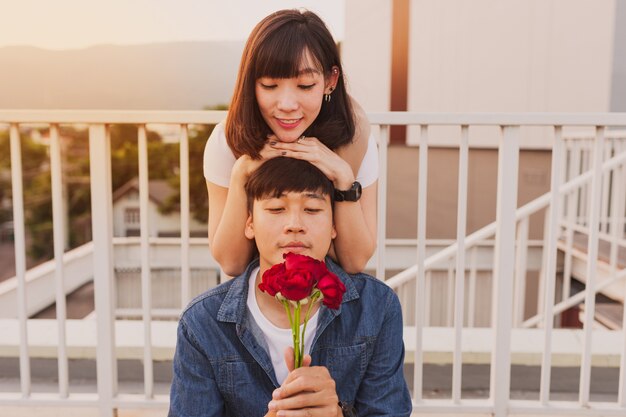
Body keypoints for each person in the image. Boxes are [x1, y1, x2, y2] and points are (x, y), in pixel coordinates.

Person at [170, 158, 411, 417]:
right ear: (249, 223)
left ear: (334, 226)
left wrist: (338, 414)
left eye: (312, 209)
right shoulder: (202, 322)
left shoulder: (376, 307)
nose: (295, 224)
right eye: (276, 209)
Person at [204, 9, 378, 276]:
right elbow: (231, 263)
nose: (286, 105)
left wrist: (343, 176)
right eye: (270, 86)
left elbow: (355, 261)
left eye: (305, 85)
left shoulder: (355, 138)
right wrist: (241, 172)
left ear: (331, 81)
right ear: (251, 84)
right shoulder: (227, 140)